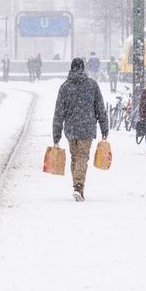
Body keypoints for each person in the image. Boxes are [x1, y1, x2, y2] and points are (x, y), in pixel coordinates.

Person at [52, 57, 109, 202]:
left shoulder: (65, 87)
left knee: (75, 157)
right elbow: (100, 108)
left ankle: (77, 185)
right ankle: (78, 186)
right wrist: (104, 127)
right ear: (84, 68)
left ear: (71, 68)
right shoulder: (92, 85)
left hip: (71, 128)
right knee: (83, 157)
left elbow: (59, 112)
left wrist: (56, 135)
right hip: (87, 127)